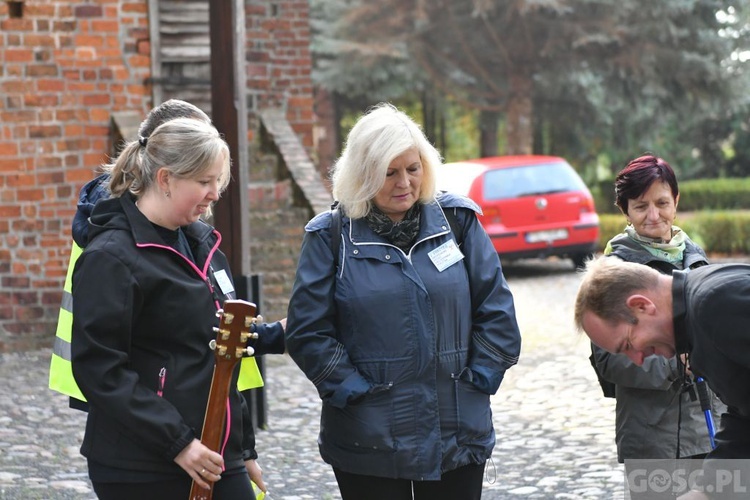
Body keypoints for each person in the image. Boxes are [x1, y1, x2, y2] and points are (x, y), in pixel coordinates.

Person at [284, 103, 522, 500]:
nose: (404, 183)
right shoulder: (330, 236)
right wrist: (355, 393)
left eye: (412, 169)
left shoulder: (457, 222)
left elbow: (497, 311)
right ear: (363, 173)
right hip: (369, 436)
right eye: (389, 172)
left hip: (457, 427)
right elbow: (308, 332)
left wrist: (478, 381)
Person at [70, 117, 284, 499]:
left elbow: (223, 357)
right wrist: (179, 444)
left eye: (218, 180)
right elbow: (100, 370)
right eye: (204, 181)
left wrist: (242, 449)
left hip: (217, 452)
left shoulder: (204, 245)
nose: (215, 193)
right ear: (166, 179)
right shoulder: (111, 257)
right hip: (140, 466)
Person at [51, 99, 274, 411]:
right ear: (166, 169)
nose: (213, 191)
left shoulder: (183, 225)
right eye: (201, 175)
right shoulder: (120, 240)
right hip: (139, 410)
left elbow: (195, 324)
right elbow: (112, 361)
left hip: (198, 406)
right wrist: (177, 441)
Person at [590, 155, 724, 473]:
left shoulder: (696, 258)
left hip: (715, 433)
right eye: (640, 206)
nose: (654, 216)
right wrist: (674, 365)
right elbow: (609, 359)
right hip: (653, 442)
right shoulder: (611, 274)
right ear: (624, 210)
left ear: (676, 201)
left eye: (662, 203)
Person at [575, 256, 750, 499]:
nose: (637, 359)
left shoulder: (713, 304)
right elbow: (744, 411)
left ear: (641, 306)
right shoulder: (698, 319)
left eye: (627, 344)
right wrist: (706, 491)